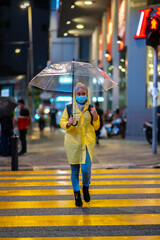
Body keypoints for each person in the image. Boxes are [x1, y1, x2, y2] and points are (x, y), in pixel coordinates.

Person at [60, 83, 100, 207]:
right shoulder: (69, 108)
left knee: (86, 170)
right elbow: (62, 123)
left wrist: (95, 116)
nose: (81, 96)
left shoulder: (91, 108)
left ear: (87, 94)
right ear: (75, 95)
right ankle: (77, 195)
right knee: (75, 171)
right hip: (72, 144)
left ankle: (86, 187)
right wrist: (68, 123)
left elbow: (97, 127)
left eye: (83, 94)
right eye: (79, 94)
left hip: (87, 144)